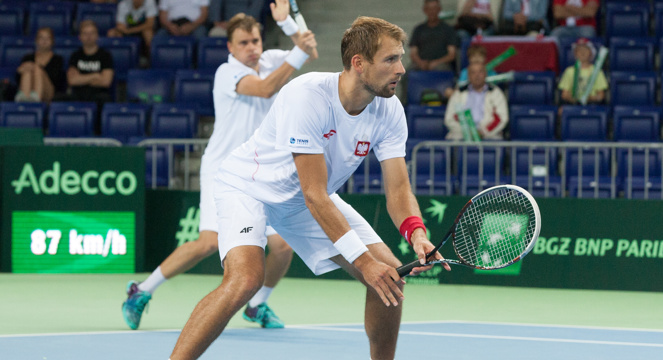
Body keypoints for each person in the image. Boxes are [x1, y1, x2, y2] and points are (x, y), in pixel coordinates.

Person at [169, 16, 446, 360]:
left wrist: (415, 233)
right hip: (250, 188)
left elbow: (398, 189)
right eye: (391, 59)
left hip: (306, 200)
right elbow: (313, 192)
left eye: (400, 58)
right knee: (245, 280)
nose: (401, 68)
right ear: (359, 64)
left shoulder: (389, 110)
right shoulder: (308, 95)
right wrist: (363, 262)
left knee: (390, 277)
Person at [121, 4, 318, 331]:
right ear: (230, 47)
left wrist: (286, 23)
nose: (252, 48)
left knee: (283, 246)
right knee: (208, 243)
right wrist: (298, 48)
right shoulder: (228, 73)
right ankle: (141, 291)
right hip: (223, 171)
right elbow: (267, 87)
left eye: (255, 40)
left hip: (260, 171)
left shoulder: (268, 60)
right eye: (243, 43)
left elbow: (307, 48)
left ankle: (257, 305)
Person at [443, 45, 508, 141]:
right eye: (473, 72)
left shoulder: (495, 92)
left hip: (488, 136)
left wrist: (483, 132)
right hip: (462, 135)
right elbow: (450, 118)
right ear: (468, 75)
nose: (477, 76)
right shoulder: (459, 93)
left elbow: (502, 118)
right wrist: (468, 132)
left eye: (480, 72)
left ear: (486, 73)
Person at [64, 20, 114, 110]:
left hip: (98, 95)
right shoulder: (75, 55)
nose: (89, 36)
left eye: (92, 33)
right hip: (78, 95)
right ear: (80, 37)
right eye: (85, 33)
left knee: (104, 100)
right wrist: (95, 76)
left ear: (97, 35)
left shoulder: (105, 55)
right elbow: (72, 80)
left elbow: (106, 81)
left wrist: (81, 78)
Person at [15, 27, 66, 103]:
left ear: (52, 41)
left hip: (49, 91)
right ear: (36, 40)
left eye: (47, 38)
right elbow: (18, 78)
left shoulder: (57, 59)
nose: (44, 41)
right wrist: (19, 70)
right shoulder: (27, 58)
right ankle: (24, 100)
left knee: (37, 69)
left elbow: (56, 79)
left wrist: (36, 68)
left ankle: (36, 100)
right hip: (29, 87)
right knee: (27, 70)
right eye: (41, 38)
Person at [409, 0, 458, 71]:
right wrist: (420, 63)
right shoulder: (418, 29)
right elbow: (413, 53)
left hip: (442, 64)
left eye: (434, 8)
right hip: (420, 63)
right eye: (429, 9)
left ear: (439, 9)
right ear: (425, 10)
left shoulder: (448, 29)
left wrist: (436, 63)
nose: (432, 12)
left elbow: (452, 54)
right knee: (405, 74)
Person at [557, 38, 607, 105]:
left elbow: (601, 96)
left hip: (592, 106)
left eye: (585, 49)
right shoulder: (569, 71)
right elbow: (564, 94)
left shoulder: (597, 71)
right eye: (579, 50)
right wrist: (574, 99)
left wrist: (590, 98)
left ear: (591, 53)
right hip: (573, 105)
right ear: (575, 54)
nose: (582, 52)